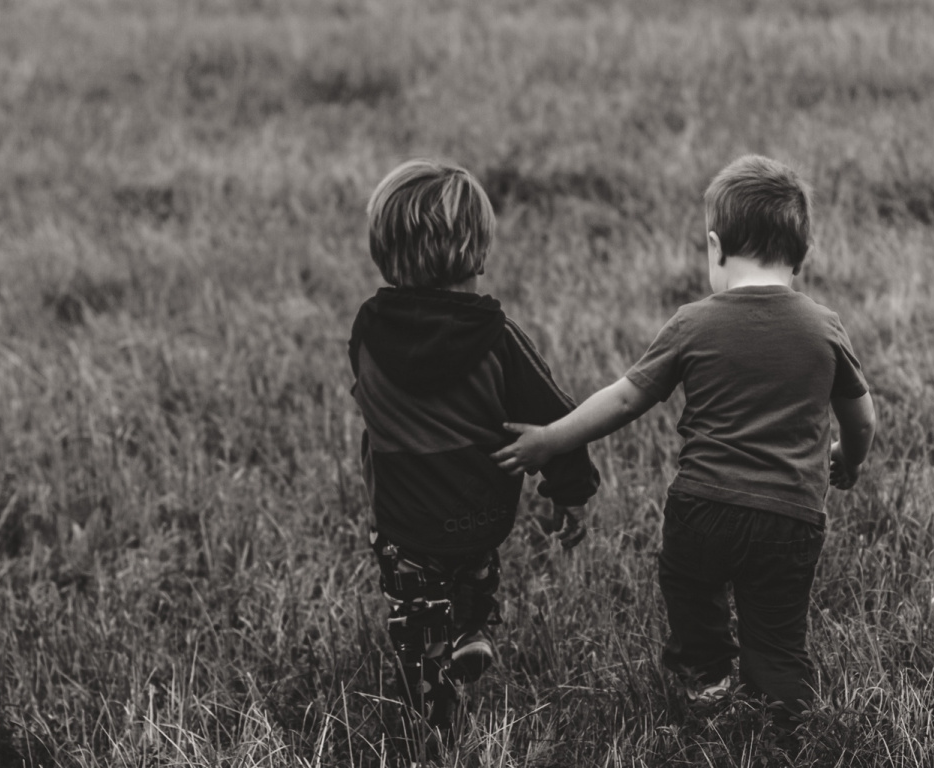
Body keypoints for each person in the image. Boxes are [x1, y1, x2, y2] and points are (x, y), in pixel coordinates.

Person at [492, 154, 876, 728]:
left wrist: (550, 438)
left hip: (703, 509)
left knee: (692, 592)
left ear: (717, 247)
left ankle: (707, 680)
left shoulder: (693, 322)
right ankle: (784, 708)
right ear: (804, 255)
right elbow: (862, 417)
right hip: (790, 517)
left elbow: (624, 399)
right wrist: (847, 458)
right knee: (776, 630)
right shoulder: (824, 327)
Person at [348, 159, 598, 758]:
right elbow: (556, 418)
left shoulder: (368, 330)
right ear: (478, 252)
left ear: (385, 252)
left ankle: (433, 707)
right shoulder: (497, 338)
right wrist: (572, 489)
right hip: (479, 511)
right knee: (473, 571)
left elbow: (367, 398)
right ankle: (471, 627)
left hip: (404, 519)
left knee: (416, 615)